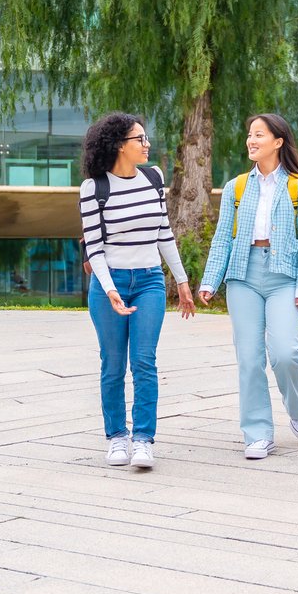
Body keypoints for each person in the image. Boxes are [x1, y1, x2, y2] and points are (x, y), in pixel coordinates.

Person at [199, 113, 298, 460]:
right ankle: (258, 433)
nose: (251, 141)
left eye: (259, 135)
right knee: (249, 359)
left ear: (278, 142)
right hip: (243, 275)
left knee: (285, 353)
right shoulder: (237, 186)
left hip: (284, 276)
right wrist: (210, 280)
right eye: (249, 135)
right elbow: (223, 238)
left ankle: (294, 407)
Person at [79, 112, 195, 471]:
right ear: (118, 145)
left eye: (145, 138)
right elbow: (95, 247)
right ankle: (116, 437)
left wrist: (182, 280)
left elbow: (164, 232)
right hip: (108, 283)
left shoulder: (153, 177)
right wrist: (111, 289)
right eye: (139, 139)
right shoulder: (94, 187)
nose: (147, 145)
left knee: (144, 362)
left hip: (148, 282)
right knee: (113, 365)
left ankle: (144, 440)